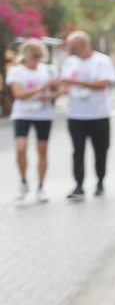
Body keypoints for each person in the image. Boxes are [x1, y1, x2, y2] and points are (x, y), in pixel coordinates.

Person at [61, 31, 115, 201]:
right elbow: (65, 84)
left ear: (83, 45)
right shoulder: (70, 62)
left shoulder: (102, 61)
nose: (71, 51)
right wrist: (64, 88)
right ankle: (79, 186)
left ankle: (100, 181)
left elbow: (103, 83)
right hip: (76, 115)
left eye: (73, 47)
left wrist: (76, 82)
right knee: (78, 151)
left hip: (99, 114)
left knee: (101, 150)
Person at [9, 39, 58, 203]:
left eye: (40, 55)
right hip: (22, 114)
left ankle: (41, 186)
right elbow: (19, 95)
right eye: (35, 55)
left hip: (43, 114)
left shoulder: (49, 70)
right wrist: (42, 87)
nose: (38, 59)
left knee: (42, 150)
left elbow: (59, 91)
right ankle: (23, 182)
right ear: (27, 56)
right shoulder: (16, 72)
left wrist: (49, 95)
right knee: (21, 148)